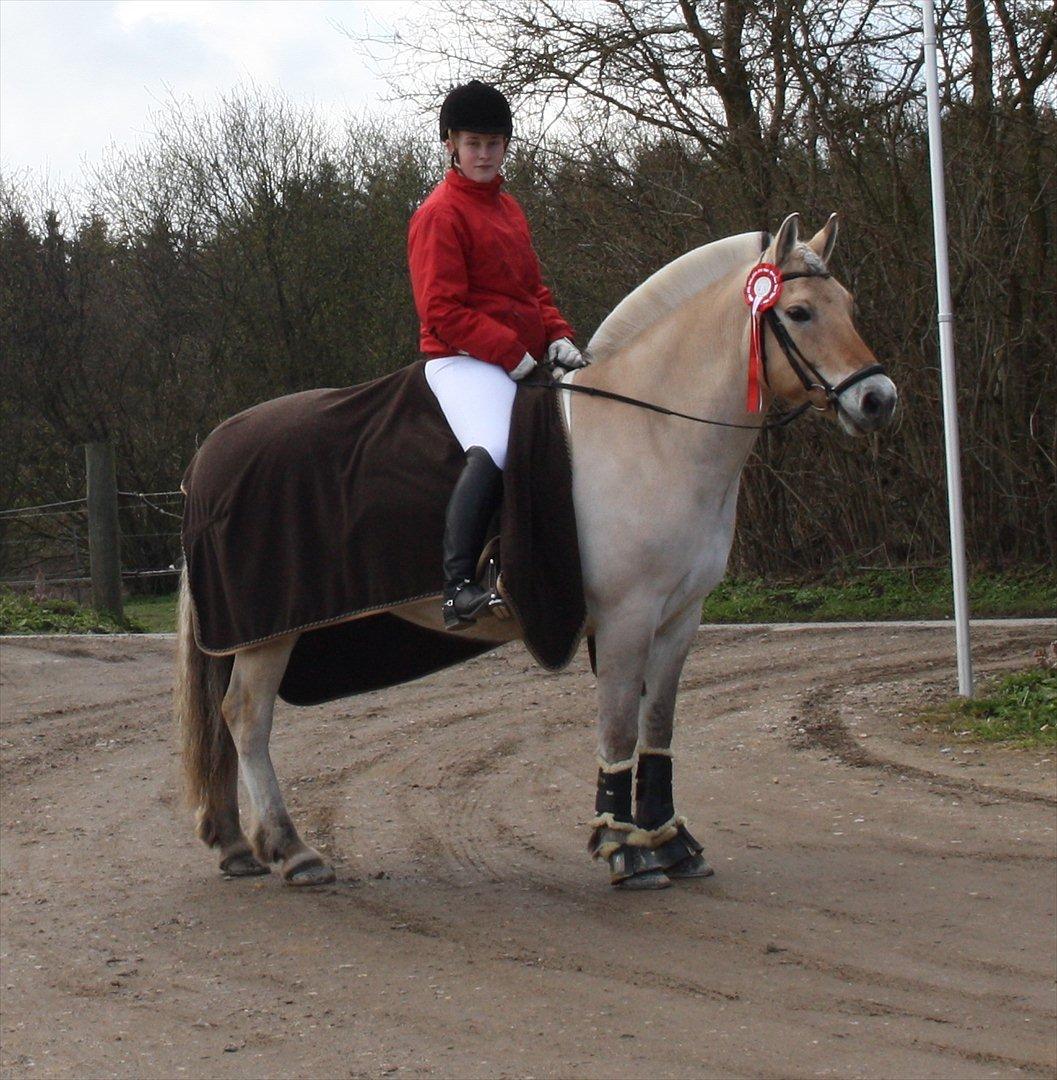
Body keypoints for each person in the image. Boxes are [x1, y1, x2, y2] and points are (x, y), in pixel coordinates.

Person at [408, 80, 587, 631]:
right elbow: (441, 309)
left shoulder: (509, 209)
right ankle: (458, 585)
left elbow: (533, 292)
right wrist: (513, 354)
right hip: (460, 358)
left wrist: (557, 335)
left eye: (493, 143)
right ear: (450, 146)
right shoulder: (439, 214)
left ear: (506, 145)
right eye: (472, 143)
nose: (483, 154)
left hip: (518, 356)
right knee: (500, 444)